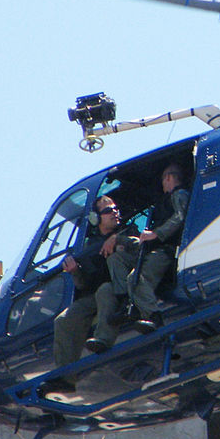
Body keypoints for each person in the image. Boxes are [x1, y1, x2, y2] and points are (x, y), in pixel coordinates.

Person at [93, 163, 190, 347]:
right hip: (151, 249)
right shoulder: (165, 201)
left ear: (168, 178)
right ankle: (126, 304)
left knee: (135, 279)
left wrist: (157, 234)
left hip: (166, 250)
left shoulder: (179, 195)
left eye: (163, 181)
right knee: (115, 258)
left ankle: (153, 316)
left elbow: (180, 217)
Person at [47, 197, 137, 391]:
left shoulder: (128, 231)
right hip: (96, 295)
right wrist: (75, 272)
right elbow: (84, 283)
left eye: (115, 208)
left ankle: (103, 340)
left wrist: (118, 239)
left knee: (105, 290)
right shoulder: (90, 246)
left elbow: (140, 249)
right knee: (63, 320)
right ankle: (65, 377)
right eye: (107, 210)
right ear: (96, 218)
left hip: (123, 289)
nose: (114, 212)